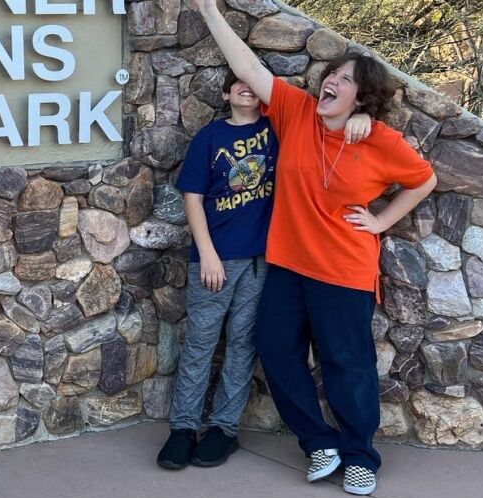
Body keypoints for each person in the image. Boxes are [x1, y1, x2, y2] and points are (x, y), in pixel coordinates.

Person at [190, 0, 438, 496]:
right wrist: (207, 8)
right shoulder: (296, 111)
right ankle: (318, 442)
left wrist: (381, 220)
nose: (331, 82)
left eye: (345, 80)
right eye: (332, 75)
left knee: (348, 363)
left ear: (362, 96)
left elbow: (423, 179)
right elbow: (248, 67)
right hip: (288, 265)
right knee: (276, 350)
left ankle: (359, 455)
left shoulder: (380, 140)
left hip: (344, 270)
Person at [156, 72, 370, 470]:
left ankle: (224, 429)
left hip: (264, 261)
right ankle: (182, 429)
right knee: (201, 343)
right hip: (216, 261)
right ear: (225, 94)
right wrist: (207, 253)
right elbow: (193, 196)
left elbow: (331, 125)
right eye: (235, 83)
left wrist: (366, 118)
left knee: (242, 346)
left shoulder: (279, 130)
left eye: (250, 82)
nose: (245, 86)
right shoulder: (210, 137)